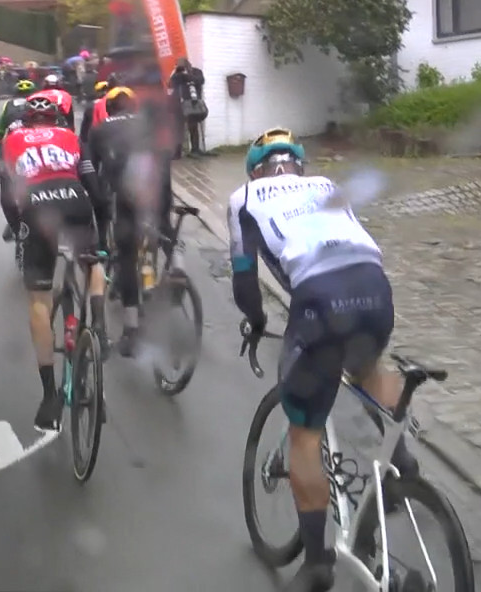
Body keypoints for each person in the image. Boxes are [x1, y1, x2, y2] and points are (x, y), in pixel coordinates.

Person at [227, 128, 418, 592]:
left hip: (319, 301)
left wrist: (255, 320)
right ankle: (403, 467)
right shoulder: (327, 185)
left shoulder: (244, 198)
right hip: (374, 288)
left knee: (305, 434)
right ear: (298, 165)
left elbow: (245, 276)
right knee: (365, 365)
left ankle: (316, 562)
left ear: (255, 170)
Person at [0, 89, 107, 431]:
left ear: (27, 120)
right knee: (92, 261)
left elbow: (7, 197)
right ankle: (100, 326)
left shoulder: (11, 140)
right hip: (75, 203)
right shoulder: (71, 137)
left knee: (39, 302)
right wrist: (101, 234)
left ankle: (49, 396)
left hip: (37, 211)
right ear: (58, 119)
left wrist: (19, 228)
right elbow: (95, 189)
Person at [82, 85, 153, 357]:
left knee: (127, 257)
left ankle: (131, 329)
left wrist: (99, 199)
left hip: (125, 195)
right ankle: (162, 270)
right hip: (156, 189)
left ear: (109, 109)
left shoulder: (100, 129)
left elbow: (89, 167)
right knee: (154, 234)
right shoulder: (147, 122)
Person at [0, 79, 36, 243]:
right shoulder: (41, 102)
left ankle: (15, 227)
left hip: (12, 152)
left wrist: (1, 156)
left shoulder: (8, 105)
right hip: (35, 151)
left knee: (7, 195)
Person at [171, 58, 210, 156]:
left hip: (193, 103)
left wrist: (186, 75)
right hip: (180, 103)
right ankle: (177, 151)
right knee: (178, 128)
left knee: (193, 126)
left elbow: (200, 81)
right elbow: (171, 83)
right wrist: (178, 73)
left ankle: (195, 149)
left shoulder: (196, 72)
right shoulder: (177, 74)